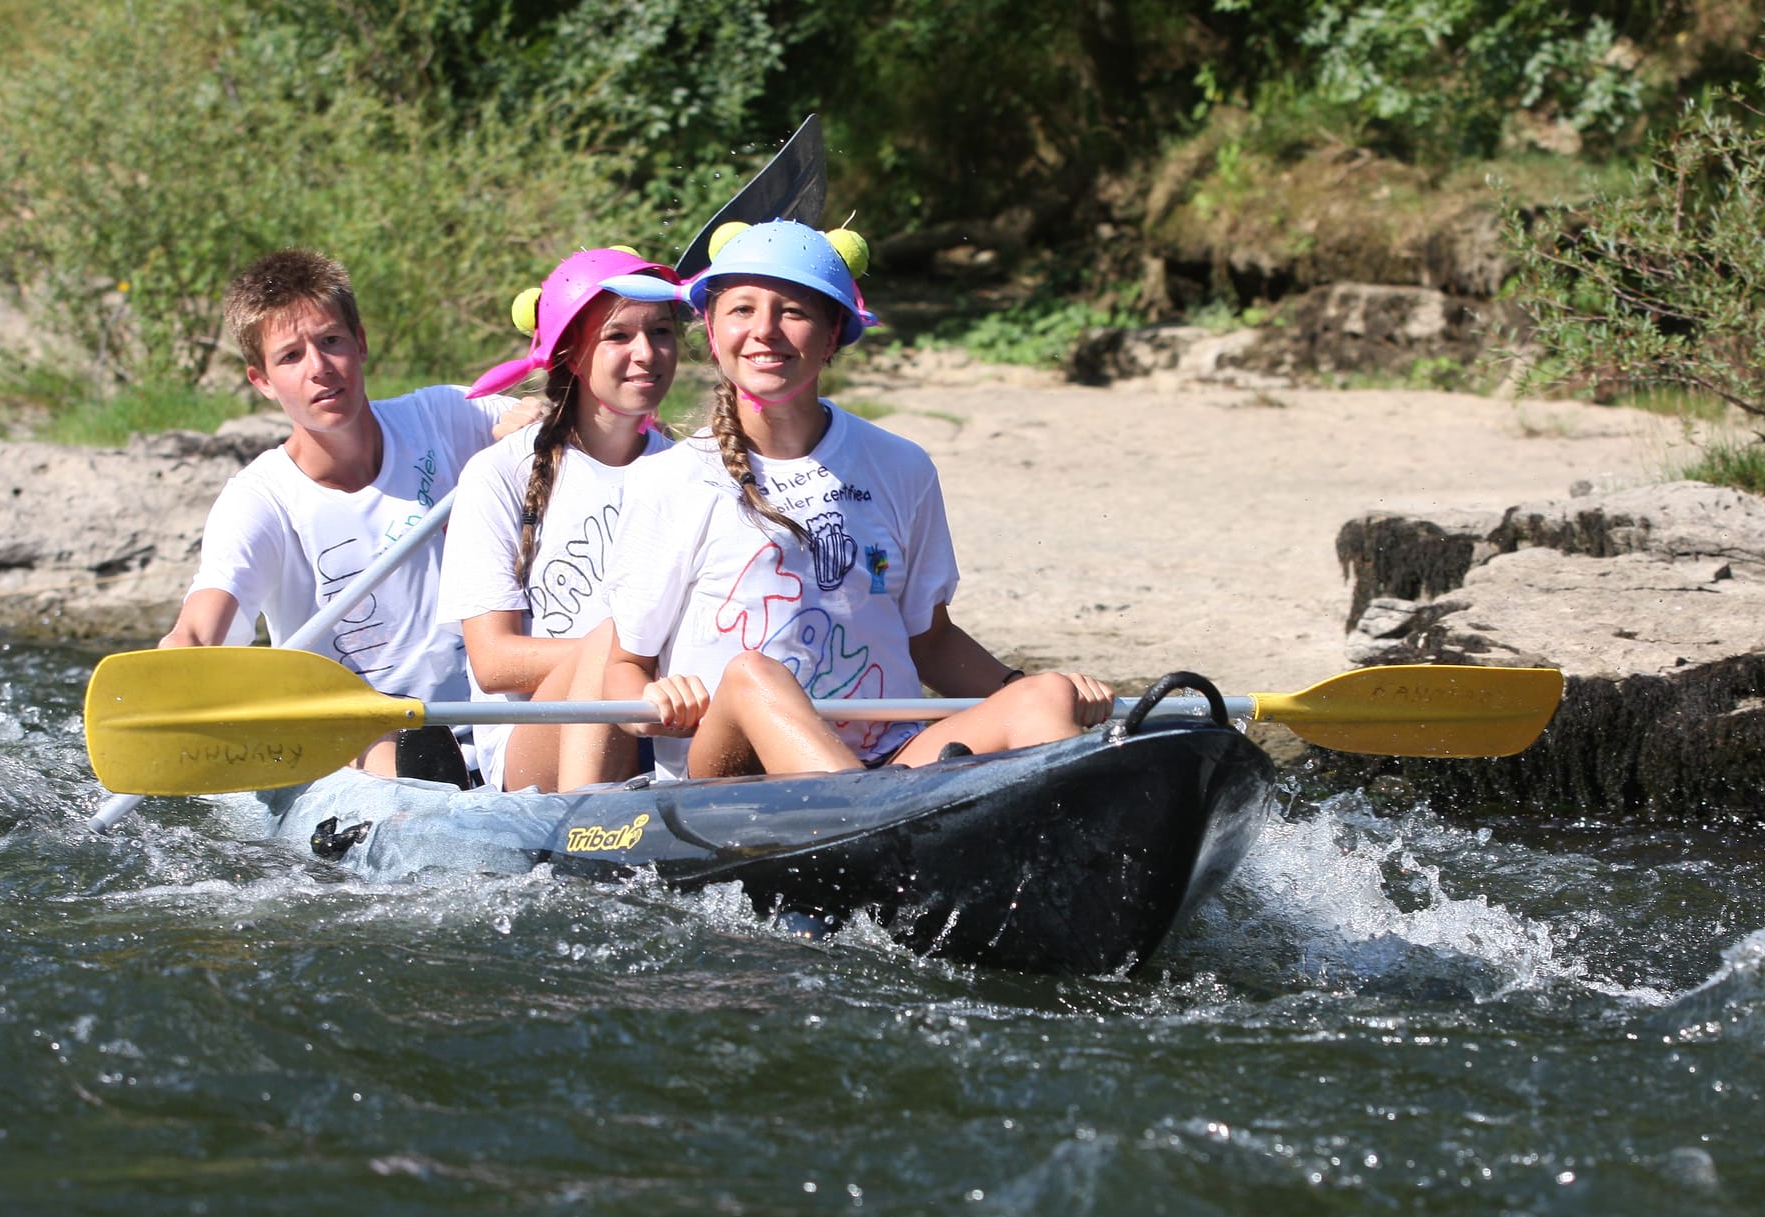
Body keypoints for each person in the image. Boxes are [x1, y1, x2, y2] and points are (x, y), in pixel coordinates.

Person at [596, 219, 1115, 781]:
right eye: (742, 310)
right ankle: (874, 819)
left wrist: (1033, 689)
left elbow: (931, 640)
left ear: (832, 332)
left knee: (1045, 695)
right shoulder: (666, 481)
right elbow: (624, 667)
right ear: (714, 332)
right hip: (732, 774)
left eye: (793, 312)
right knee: (752, 675)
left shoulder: (901, 465)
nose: (765, 331)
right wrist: (656, 707)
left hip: (891, 760)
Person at [160, 248, 530, 780]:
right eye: (290, 357)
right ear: (261, 380)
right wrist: (177, 660)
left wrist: (532, 424)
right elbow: (201, 626)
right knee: (400, 752)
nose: (319, 369)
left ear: (359, 343)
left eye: (331, 341)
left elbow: (553, 427)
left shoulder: (444, 416)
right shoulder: (259, 499)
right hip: (363, 743)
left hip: (491, 718)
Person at [436, 247, 681, 792]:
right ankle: (584, 832)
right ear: (570, 352)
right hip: (532, 749)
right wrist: (628, 669)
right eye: (618, 336)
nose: (647, 353)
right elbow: (494, 660)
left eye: (661, 332)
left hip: (663, 726)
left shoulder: (695, 474)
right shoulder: (496, 474)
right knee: (611, 638)